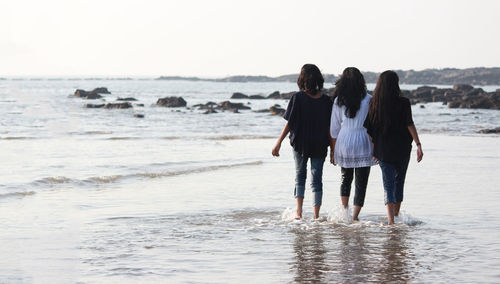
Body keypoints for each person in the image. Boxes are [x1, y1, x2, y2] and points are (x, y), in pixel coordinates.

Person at [272, 64, 333, 219]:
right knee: (317, 178)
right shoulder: (326, 100)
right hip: (320, 144)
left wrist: (278, 142)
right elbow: (329, 128)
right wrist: (333, 148)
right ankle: (316, 215)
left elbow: (290, 123)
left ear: (302, 79)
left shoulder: (298, 98)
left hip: (300, 143)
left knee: (300, 176)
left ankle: (298, 213)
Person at [364, 70, 423, 225]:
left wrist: (374, 149)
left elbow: (369, 129)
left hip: (383, 150)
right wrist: (418, 144)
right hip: (402, 149)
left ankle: (391, 221)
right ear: (395, 84)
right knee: (399, 182)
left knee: (388, 184)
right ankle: (395, 217)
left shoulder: (374, 103)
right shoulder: (403, 102)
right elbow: (409, 124)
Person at [330, 67, 375, 221]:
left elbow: (334, 128)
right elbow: (374, 124)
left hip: (345, 140)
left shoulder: (338, 100)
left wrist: (333, 150)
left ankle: (344, 212)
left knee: (345, 177)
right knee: (362, 181)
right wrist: (376, 146)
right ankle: (355, 216)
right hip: (363, 139)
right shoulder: (369, 99)